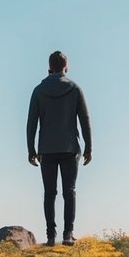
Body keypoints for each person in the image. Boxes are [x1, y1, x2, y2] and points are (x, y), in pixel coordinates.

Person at [26, 50, 92, 246]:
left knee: (49, 192)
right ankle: (67, 234)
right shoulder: (74, 88)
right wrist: (89, 146)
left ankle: (50, 236)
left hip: (46, 148)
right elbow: (84, 119)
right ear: (66, 67)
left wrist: (31, 149)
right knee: (69, 191)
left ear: (49, 67)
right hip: (70, 147)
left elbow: (32, 123)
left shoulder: (38, 90)